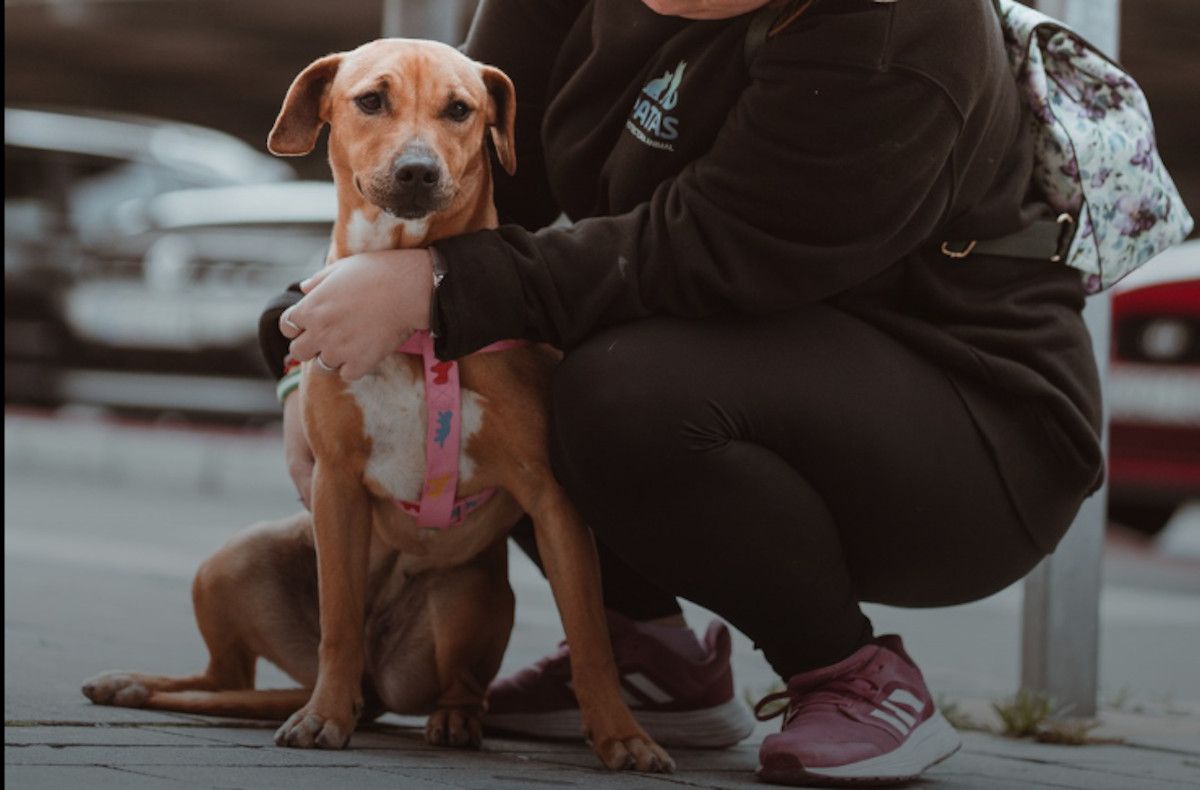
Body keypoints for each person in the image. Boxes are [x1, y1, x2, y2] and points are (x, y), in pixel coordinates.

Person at [259, 0, 1104, 784]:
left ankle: (850, 673)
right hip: (740, 343)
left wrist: (436, 288)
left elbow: (705, 248)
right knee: (537, 355)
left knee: (615, 389)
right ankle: (653, 659)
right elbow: (469, 175)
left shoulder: (896, 29)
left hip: (970, 427)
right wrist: (308, 345)